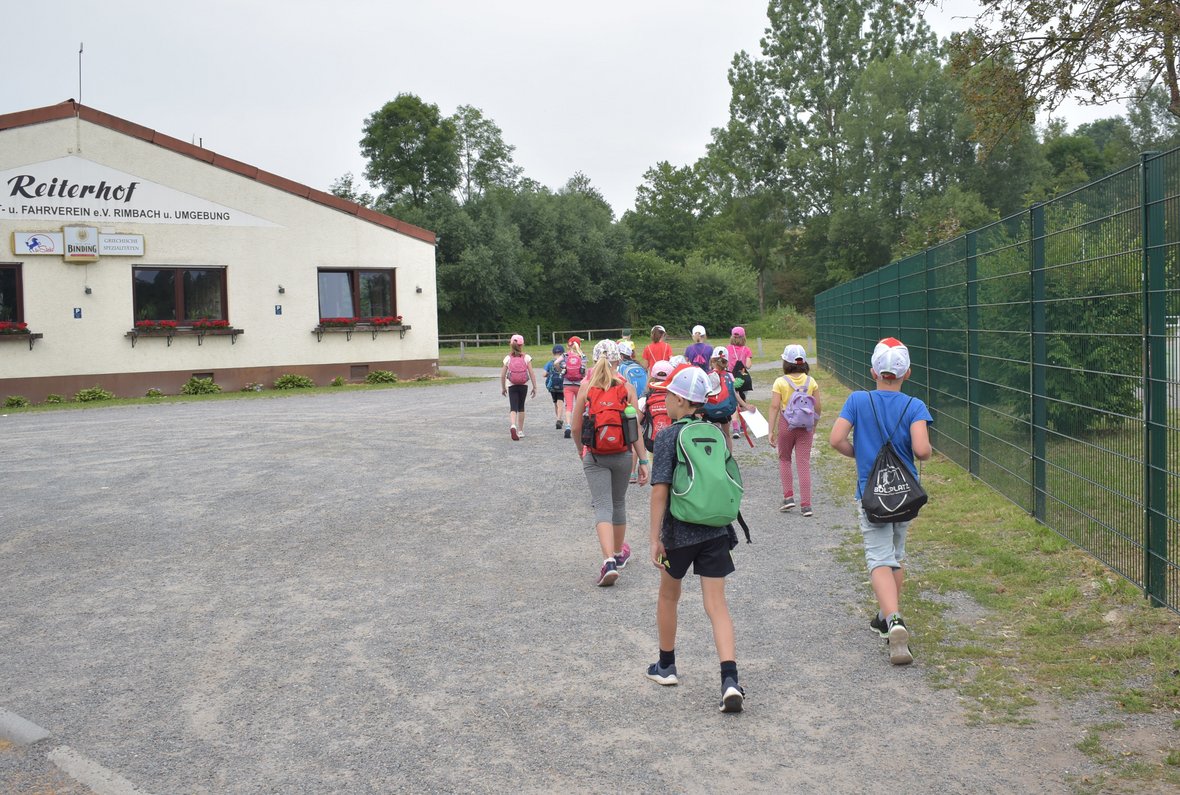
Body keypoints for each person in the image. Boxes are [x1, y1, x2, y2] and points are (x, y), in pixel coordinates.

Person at [645, 363, 745, 713]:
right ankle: (730, 679)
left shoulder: (668, 435)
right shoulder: (715, 432)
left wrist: (655, 537)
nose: (666, 400)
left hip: (679, 532)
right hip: (716, 530)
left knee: (669, 596)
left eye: (669, 395)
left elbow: (660, 490)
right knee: (717, 606)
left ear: (680, 399)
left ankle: (667, 665)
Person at [829, 338, 933, 666]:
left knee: (878, 558)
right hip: (904, 495)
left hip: (871, 494)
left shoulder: (858, 400)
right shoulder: (914, 405)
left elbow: (836, 439)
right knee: (895, 557)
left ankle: (894, 621)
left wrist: (861, 456)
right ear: (908, 373)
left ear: (873, 370)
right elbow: (922, 451)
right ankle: (885, 617)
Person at [571, 339, 650, 586]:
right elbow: (635, 426)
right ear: (618, 360)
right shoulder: (626, 387)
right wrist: (644, 461)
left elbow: (575, 427)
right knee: (618, 502)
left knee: (602, 505)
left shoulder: (586, 386)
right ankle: (618, 553)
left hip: (595, 454)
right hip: (623, 453)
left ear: (594, 360)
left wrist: (581, 450)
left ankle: (608, 560)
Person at [769, 344, 821, 516]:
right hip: (805, 426)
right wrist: (814, 425)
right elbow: (818, 407)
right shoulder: (811, 381)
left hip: (786, 425)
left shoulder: (780, 382)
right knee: (803, 463)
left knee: (784, 459)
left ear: (786, 362)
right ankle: (806, 505)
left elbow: (775, 406)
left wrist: (771, 430)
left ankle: (789, 497)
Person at [704, 347, 750, 453]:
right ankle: (729, 457)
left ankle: (714, 456)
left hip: (710, 410)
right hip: (725, 409)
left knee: (713, 436)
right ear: (727, 362)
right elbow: (735, 393)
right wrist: (746, 406)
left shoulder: (708, 376)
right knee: (726, 435)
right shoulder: (729, 375)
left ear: (712, 360)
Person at [500, 334, 536, 441]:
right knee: (521, 407)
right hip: (523, 385)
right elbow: (531, 373)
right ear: (522, 345)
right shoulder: (526, 357)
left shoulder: (507, 358)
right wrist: (535, 387)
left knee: (513, 407)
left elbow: (502, 375)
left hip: (512, 384)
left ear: (511, 344)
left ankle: (513, 425)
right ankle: (520, 430)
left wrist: (503, 387)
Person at [726, 327, 754, 439]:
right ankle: (743, 426)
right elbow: (748, 365)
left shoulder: (727, 349)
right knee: (742, 401)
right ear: (744, 337)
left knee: (733, 402)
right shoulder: (747, 350)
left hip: (730, 378)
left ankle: (735, 427)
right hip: (742, 379)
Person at [561, 336, 587, 438]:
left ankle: (568, 426)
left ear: (569, 344)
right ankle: (581, 426)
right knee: (580, 406)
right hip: (579, 384)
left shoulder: (565, 355)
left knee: (569, 406)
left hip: (567, 384)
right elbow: (584, 372)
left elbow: (555, 363)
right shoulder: (582, 356)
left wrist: (561, 370)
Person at [543, 343, 566, 430]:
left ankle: (558, 418)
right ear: (563, 353)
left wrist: (550, 374)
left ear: (553, 353)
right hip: (562, 385)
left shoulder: (550, 363)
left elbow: (544, 374)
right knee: (560, 402)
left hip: (552, 386)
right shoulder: (564, 362)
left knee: (556, 403)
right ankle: (559, 419)